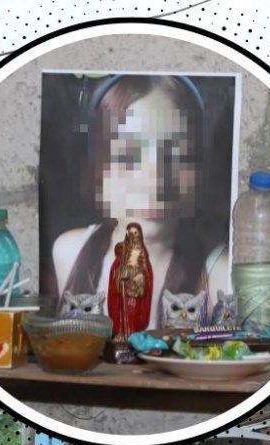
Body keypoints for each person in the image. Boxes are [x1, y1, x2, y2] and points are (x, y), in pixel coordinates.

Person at [48, 74, 231, 329]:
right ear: (97, 171)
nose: (154, 180)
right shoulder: (70, 251)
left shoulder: (219, 276)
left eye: (177, 155)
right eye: (126, 157)